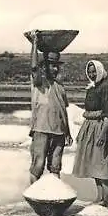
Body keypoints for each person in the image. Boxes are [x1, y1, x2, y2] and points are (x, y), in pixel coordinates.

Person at [72, 60, 108, 208]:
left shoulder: (107, 88)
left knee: (102, 163)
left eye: (94, 71)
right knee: (94, 163)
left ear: (100, 71)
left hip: (102, 127)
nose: (92, 74)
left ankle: (106, 200)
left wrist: (102, 133)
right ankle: (100, 197)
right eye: (89, 71)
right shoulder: (92, 88)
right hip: (90, 127)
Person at [28, 30, 73, 185]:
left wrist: (67, 132)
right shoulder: (39, 83)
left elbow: (63, 111)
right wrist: (34, 43)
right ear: (44, 67)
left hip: (59, 131)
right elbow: (33, 67)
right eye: (50, 66)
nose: (54, 69)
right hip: (41, 129)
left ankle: (53, 198)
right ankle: (34, 196)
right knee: (37, 166)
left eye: (56, 66)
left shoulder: (60, 87)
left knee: (55, 167)